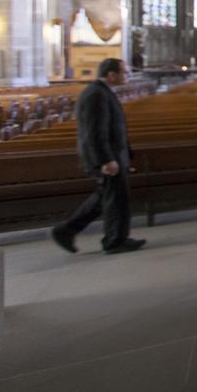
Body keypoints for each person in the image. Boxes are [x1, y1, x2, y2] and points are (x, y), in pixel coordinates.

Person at [50, 58, 147, 255]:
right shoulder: (96, 94)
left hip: (113, 155)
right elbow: (94, 132)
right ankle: (114, 241)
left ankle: (66, 231)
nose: (127, 76)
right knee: (115, 199)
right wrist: (105, 160)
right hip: (107, 158)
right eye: (124, 72)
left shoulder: (101, 92)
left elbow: (113, 127)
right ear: (111, 74)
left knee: (107, 197)